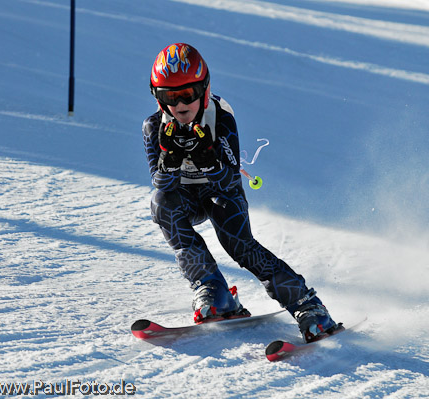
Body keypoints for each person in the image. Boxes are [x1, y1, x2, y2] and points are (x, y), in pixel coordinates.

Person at [142, 43, 339, 342]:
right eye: (170, 96)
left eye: (188, 94)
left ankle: (307, 305)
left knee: (239, 245)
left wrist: (209, 160)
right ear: (158, 98)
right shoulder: (154, 126)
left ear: (204, 90)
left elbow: (229, 181)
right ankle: (212, 289)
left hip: (221, 193)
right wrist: (169, 162)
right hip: (184, 198)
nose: (180, 104)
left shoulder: (220, 116)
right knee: (160, 204)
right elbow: (160, 184)